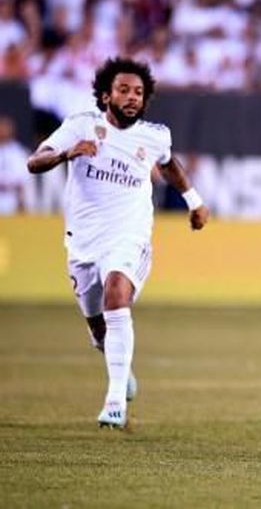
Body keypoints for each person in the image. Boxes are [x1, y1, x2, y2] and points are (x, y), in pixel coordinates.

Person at [27, 57, 210, 429]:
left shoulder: (154, 135)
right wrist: (67, 153)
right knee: (98, 328)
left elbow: (169, 165)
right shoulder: (81, 126)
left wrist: (195, 201)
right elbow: (35, 162)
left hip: (129, 237)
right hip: (82, 244)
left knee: (116, 293)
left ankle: (114, 403)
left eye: (138, 92)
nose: (131, 98)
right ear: (106, 94)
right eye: (124, 90)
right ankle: (119, 368)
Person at [0, 115, 29, 214]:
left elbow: (23, 179)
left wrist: (22, 202)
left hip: (10, 198)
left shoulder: (18, 151)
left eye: (6, 128)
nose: (3, 130)